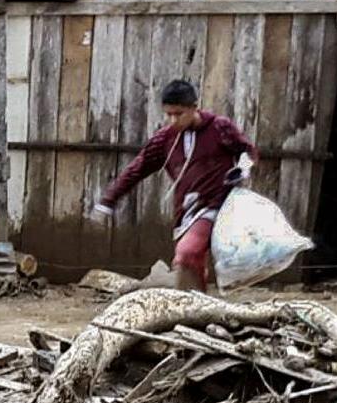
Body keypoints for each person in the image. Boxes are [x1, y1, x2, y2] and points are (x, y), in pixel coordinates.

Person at [93, 80, 259, 292]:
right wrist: (109, 201)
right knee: (192, 262)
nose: (173, 120)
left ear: (194, 107)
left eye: (179, 114)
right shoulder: (165, 139)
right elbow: (137, 169)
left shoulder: (219, 128)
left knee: (186, 253)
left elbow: (247, 150)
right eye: (168, 114)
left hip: (216, 206)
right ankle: (197, 308)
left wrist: (243, 168)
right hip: (186, 211)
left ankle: (191, 305)